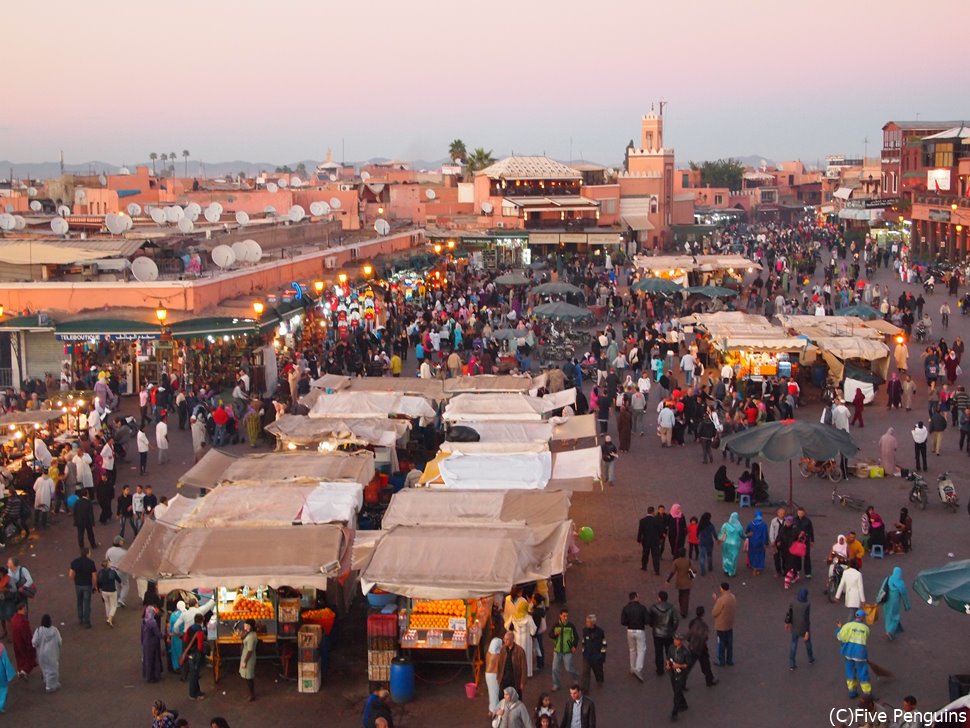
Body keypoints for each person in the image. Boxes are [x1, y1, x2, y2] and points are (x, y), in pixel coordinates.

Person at [836, 609, 872, 699]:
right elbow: (866, 638)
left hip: (848, 653)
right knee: (863, 673)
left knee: (850, 671)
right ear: (863, 617)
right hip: (860, 654)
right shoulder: (866, 628)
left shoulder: (847, 626)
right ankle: (867, 693)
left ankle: (852, 691)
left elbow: (840, 637)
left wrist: (839, 628)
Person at [503, 586, 535, 677]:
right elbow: (529, 610)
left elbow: (506, 614)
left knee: (515, 654)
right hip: (526, 638)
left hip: (515, 633)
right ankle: (527, 672)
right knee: (526, 655)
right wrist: (531, 604)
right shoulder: (523, 602)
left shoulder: (507, 599)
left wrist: (509, 628)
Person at [648, 591, 679, 677]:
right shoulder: (671, 608)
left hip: (657, 633)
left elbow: (649, 620)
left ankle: (660, 670)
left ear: (659, 598)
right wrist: (672, 630)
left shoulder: (653, 608)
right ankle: (671, 667)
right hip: (668, 634)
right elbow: (676, 621)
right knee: (669, 651)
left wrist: (653, 626)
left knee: (658, 652)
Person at [620, 590, 649, 681]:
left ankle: (632, 667)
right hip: (640, 630)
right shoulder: (642, 608)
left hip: (630, 630)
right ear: (636, 597)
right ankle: (638, 668)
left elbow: (623, 622)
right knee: (641, 650)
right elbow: (647, 621)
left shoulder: (626, 608)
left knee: (632, 649)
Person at [548, 608, 579, 692]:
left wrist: (573, 646)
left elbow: (576, 637)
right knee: (555, 669)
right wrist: (555, 634)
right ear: (560, 615)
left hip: (567, 651)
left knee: (569, 668)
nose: (565, 618)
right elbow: (550, 634)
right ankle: (556, 684)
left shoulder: (570, 626)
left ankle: (575, 678)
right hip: (557, 650)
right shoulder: (556, 625)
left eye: (567, 616)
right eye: (564, 616)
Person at [665, 633, 693, 721]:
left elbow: (688, 664)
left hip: (681, 675)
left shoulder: (685, 652)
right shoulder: (671, 648)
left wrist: (679, 665)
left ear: (681, 641)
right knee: (676, 690)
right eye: (674, 639)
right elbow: (668, 658)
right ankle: (684, 704)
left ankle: (674, 712)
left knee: (676, 694)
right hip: (673, 673)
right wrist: (668, 665)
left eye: (677, 640)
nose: (675, 641)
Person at [785, 587, 815, 670]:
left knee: (793, 644)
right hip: (803, 627)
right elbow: (806, 619)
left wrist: (787, 622)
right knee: (807, 643)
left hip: (794, 626)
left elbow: (789, 613)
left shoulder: (793, 602)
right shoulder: (807, 604)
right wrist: (807, 631)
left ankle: (792, 663)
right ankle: (810, 658)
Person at [687, 605, 717, 687]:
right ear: (703, 614)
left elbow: (689, 634)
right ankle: (709, 681)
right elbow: (705, 638)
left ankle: (681, 682)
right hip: (701, 648)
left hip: (692, 646)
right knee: (706, 665)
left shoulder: (692, 622)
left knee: (689, 665)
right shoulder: (704, 626)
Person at [878, 567, 911, 641]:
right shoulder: (901, 583)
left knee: (888, 616)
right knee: (895, 616)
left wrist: (878, 599)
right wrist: (907, 605)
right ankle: (890, 631)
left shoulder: (888, 579)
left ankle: (888, 630)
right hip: (895, 603)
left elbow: (882, 589)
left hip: (887, 601)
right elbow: (904, 594)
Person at [31, 614, 61, 692]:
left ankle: (47, 682)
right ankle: (50, 685)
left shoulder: (38, 630)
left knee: (45, 668)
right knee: (53, 669)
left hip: (42, 654)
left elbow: (34, 642)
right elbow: (59, 641)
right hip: (52, 653)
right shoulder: (55, 630)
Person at [68, 547, 97, 628]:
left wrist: (75, 579)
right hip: (87, 585)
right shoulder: (91, 563)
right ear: (87, 553)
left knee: (79, 602)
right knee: (86, 603)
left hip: (78, 585)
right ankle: (86, 622)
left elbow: (71, 574)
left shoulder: (75, 562)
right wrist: (94, 586)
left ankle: (80, 618)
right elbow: (94, 576)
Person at [495, 631, 527, 699]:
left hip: (514, 678)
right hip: (504, 678)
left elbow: (524, 667)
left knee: (516, 697)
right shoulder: (503, 649)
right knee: (501, 697)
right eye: (504, 639)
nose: (505, 641)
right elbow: (499, 664)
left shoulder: (520, 651)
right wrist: (498, 677)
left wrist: (522, 682)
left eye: (507, 639)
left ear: (512, 640)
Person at [183, 613, 207, 699]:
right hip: (196, 655)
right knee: (194, 675)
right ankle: (193, 694)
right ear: (201, 621)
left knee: (194, 673)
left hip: (189, 654)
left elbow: (185, 639)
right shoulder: (199, 632)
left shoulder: (190, 628)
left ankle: (198, 692)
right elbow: (200, 647)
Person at [580, 614, 606, 693]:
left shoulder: (600, 632)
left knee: (598, 670)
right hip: (587, 655)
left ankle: (599, 680)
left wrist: (603, 655)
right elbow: (583, 641)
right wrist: (583, 651)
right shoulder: (585, 630)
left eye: (588, 622)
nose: (586, 623)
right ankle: (585, 689)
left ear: (592, 623)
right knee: (585, 672)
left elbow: (604, 643)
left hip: (597, 655)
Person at [712, 582, 736, 667]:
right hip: (729, 624)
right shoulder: (732, 597)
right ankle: (729, 660)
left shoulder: (721, 600)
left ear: (722, 588)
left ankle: (721, 661)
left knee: (721, 644)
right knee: (729, 644)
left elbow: (715, 612)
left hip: (721, 625)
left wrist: (716, 601)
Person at [10, 603, 37, 679]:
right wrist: (31, 644)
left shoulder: (14, 619)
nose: (26, 610)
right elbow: (27, 635)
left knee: (19, 658)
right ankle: (24, 672)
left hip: (16, 643)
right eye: (24, 608)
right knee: (29, 658)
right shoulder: (23, 622)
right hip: (24, 644)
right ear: (21, 609)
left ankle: (20, 670)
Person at [666, 549, 693, 618]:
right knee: (686, 597)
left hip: (679, 581)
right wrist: (691, 577)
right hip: (687, 581)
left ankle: (682, 608)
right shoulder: (688, 561)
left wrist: (668, 580)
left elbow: (672, 572)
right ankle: (684, 611)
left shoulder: (676, 561)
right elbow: (693, 571)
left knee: (680, 596)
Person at [637, 507, 664, 575]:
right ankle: (657, 570)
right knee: (655, 556)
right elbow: (660, 531)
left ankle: (644, 566)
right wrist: (661, 538)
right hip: (655, 541)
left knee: (645, 554)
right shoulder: (657, 520)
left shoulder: (642, 521)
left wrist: (639, 539)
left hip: (645, 541)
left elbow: (640, 531)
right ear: (653, 512)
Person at [106, 535, 130, 607]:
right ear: (119, 542)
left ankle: (116, 600)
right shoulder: (124, 552)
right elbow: (128, 561)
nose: (123, 542)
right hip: (122, 570)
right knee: (125, 585)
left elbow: (107, 559)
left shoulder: (109, 550)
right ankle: (121, 600)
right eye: (121, 541)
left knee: (116, 585)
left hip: (112, 570)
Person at [142, 606, 164, 683]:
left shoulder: (144, 621)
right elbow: (157, 633)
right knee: (154, 660)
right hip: (153, 643)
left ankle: (147, 675)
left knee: (147, 659)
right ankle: (154, 676)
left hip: (146, 642)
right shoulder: (153, 622)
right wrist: (164, 636)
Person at [97, 558, 121, 627]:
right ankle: (110, 618)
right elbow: (118, 579)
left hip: (104, 591)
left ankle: (108, 617)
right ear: (108, 564)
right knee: (114, 605)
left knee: (107, 604)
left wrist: (99, 589)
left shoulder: (100, 572)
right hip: (112, 590)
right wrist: (120, 584)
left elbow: (98, 581)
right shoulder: (112, 572)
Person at [745, 511, 769, 576]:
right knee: (760, 555)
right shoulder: (763, 524)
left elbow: (746, 531)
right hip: (760, 543)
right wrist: (766, 543)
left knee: (752, 554)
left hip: (752, 542)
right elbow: (765, 534)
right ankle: (756, 569)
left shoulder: (751, 523)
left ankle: (753, 566)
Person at [239, 618, 257, 701]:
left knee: (249, 677)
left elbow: (250, 651)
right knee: (247, 676)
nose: (244, 625)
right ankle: (251, 693)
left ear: (250, 626)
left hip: (249, 659)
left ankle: (252, 694)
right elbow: (242, 637)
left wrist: (245, 662)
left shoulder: (251, 637)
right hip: (245, 657)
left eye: (246, 624)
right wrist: (244, 631)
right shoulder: (248, 633)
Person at [485, 637, 504, 717]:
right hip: (493, 676)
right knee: (495, 694)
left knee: (491, 693)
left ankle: (491, 709)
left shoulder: (488, 654)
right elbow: (498, 668)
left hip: (487, 674)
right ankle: (494, 711)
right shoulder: (497, 656)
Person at [168, 600, 187, 674]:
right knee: (182, 651)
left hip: (174, 636)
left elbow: (171, 626)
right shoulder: (185, 614)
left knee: (175, 652)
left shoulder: (173, 615)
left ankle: (176, 667)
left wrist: (170, 634)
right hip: (183, 635)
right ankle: (183, 666)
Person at [696, 513, 717, 577]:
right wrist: (717, 539)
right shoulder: (711, 525)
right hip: (709, 542)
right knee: (709, 555)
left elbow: (697, 534)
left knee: (702, 557)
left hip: (702, 542)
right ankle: (710, 567)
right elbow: (714, 534)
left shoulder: (700, 525)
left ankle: (703, 571)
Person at [0, 642, 16, 713]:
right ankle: (0, 706)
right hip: (1, 671)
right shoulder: (1, 647)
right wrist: (10, 673)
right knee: (3, 688)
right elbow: (6, 661)